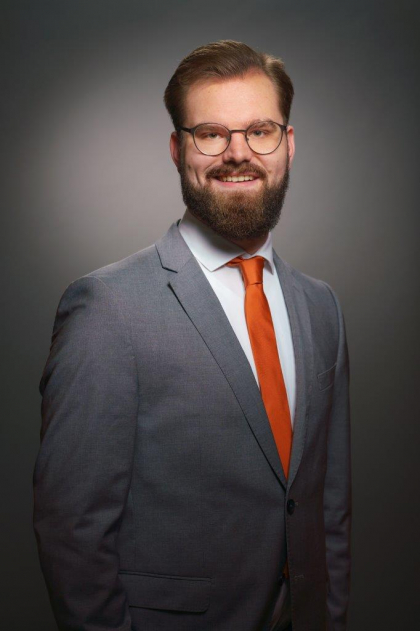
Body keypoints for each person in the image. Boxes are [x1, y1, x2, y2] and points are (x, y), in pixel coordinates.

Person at [33, 40, 351, 631]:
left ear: (288, 144)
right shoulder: (108, 308)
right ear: (178, 149)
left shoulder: (321, 307)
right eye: (211, 134)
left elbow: (327, 506)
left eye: (260, 131)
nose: (238, 153)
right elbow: (73, 530)